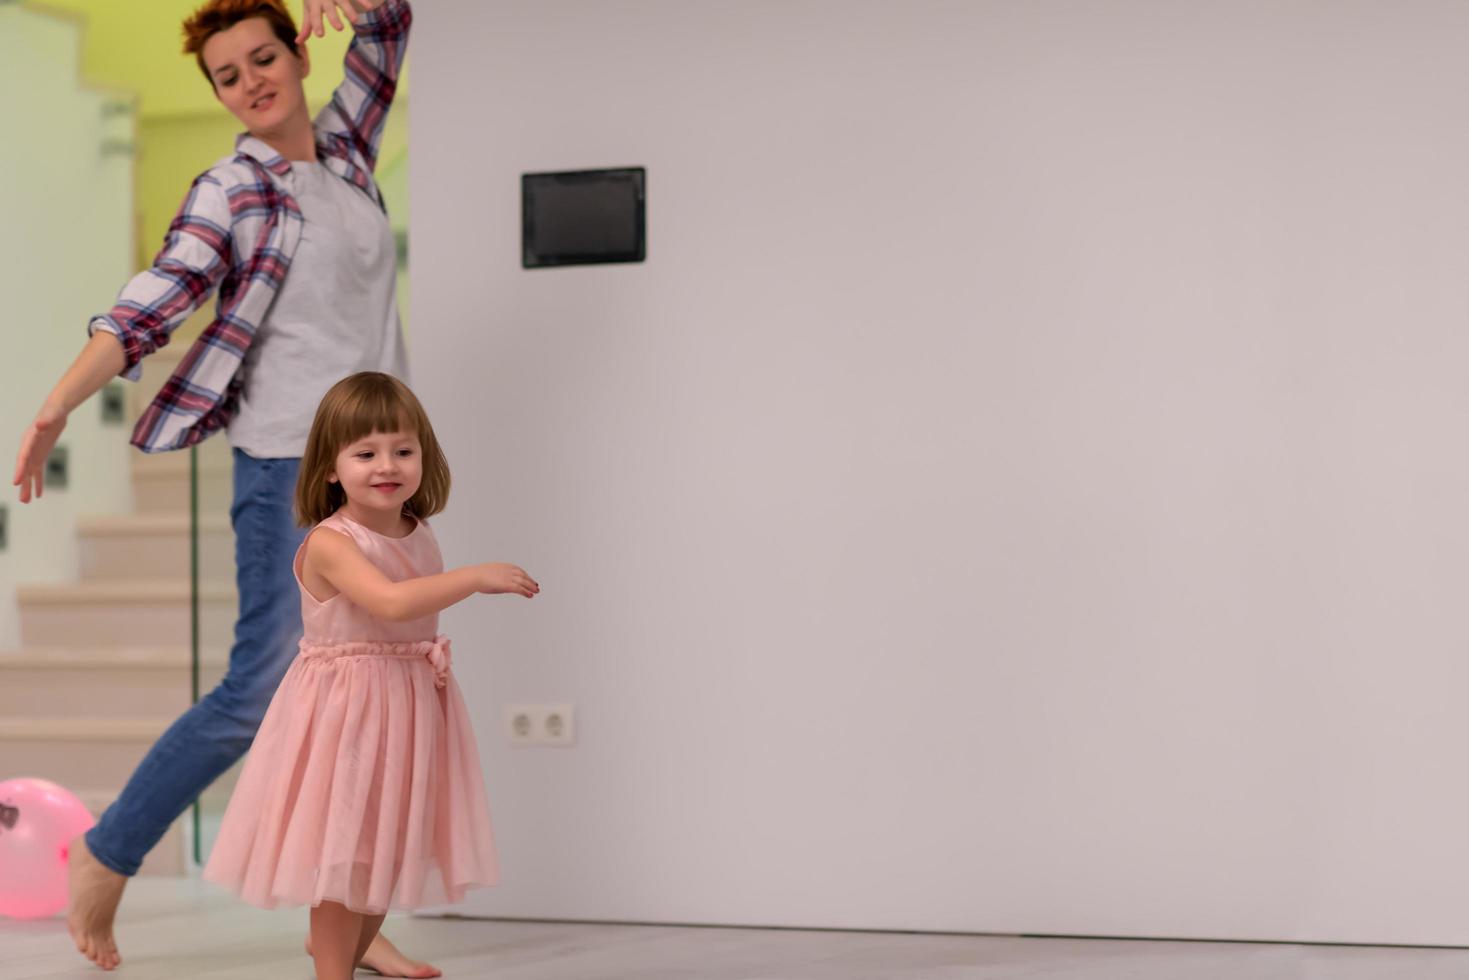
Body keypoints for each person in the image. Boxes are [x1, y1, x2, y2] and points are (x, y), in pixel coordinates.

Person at [11, 1, 436, 973]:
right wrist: (57, 404)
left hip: (373, 471)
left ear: (294, 53)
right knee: (258, 692)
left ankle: (348, 931)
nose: (251, 80)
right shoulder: (232, 190)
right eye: (228, 75)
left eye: (263, 56)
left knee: (366, 702)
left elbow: (388, 31)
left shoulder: (345, 153)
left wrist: (362, 5)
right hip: (289, 466)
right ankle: (107, 853)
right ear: (217, 96)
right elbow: (151, 302)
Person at [203, 371, 538, 980]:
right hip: (346, 710)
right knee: (345, 851)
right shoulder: (333, 542)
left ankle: (355, 951)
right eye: (365, 453)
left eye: (402, 451)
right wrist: (474, 577)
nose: (387, 465)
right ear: (331, 468)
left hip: (408, 702)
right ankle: (330, 969)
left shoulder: (417, 530)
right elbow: (388, 603)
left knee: (388, 843)